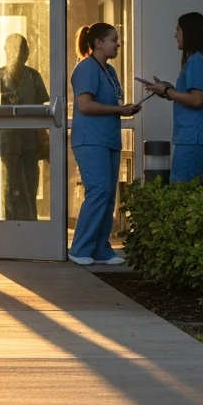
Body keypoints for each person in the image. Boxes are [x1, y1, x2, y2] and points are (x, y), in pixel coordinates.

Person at [68, 22, 141, 266]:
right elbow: (85, 105)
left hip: (108, 140)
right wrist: (119, 109)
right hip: (90, 140)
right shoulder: (85, 68)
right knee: (98, 191)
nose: (118, 43)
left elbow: (110, 103)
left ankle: (100, 248)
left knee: (108, 195)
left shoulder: (109, 71)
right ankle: (80, 248)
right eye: (113, 39)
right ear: (98, 43)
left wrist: (124, 109)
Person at [144, 12, 203, 183]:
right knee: (189, 187)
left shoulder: (197, 60)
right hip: (197, 135)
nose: (175, 35)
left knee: (182, 188)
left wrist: (167, 92)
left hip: (194, 136)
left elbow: (197, 100)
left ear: (189, 32)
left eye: (178, 30)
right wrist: (168, 89)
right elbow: (192, 95)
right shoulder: (201, 58)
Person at [0, 33, 49, 221]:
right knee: (10, 184)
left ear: (27, 52)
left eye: (23, 50)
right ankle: (10, 223)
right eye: (14, 50)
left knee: (30, 183)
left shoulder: (33, 76)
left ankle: (30, 223)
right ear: (6, 51)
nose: (19, 54)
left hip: (30, 138)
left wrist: (43, 137)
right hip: (8, 138)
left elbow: (41, 107)